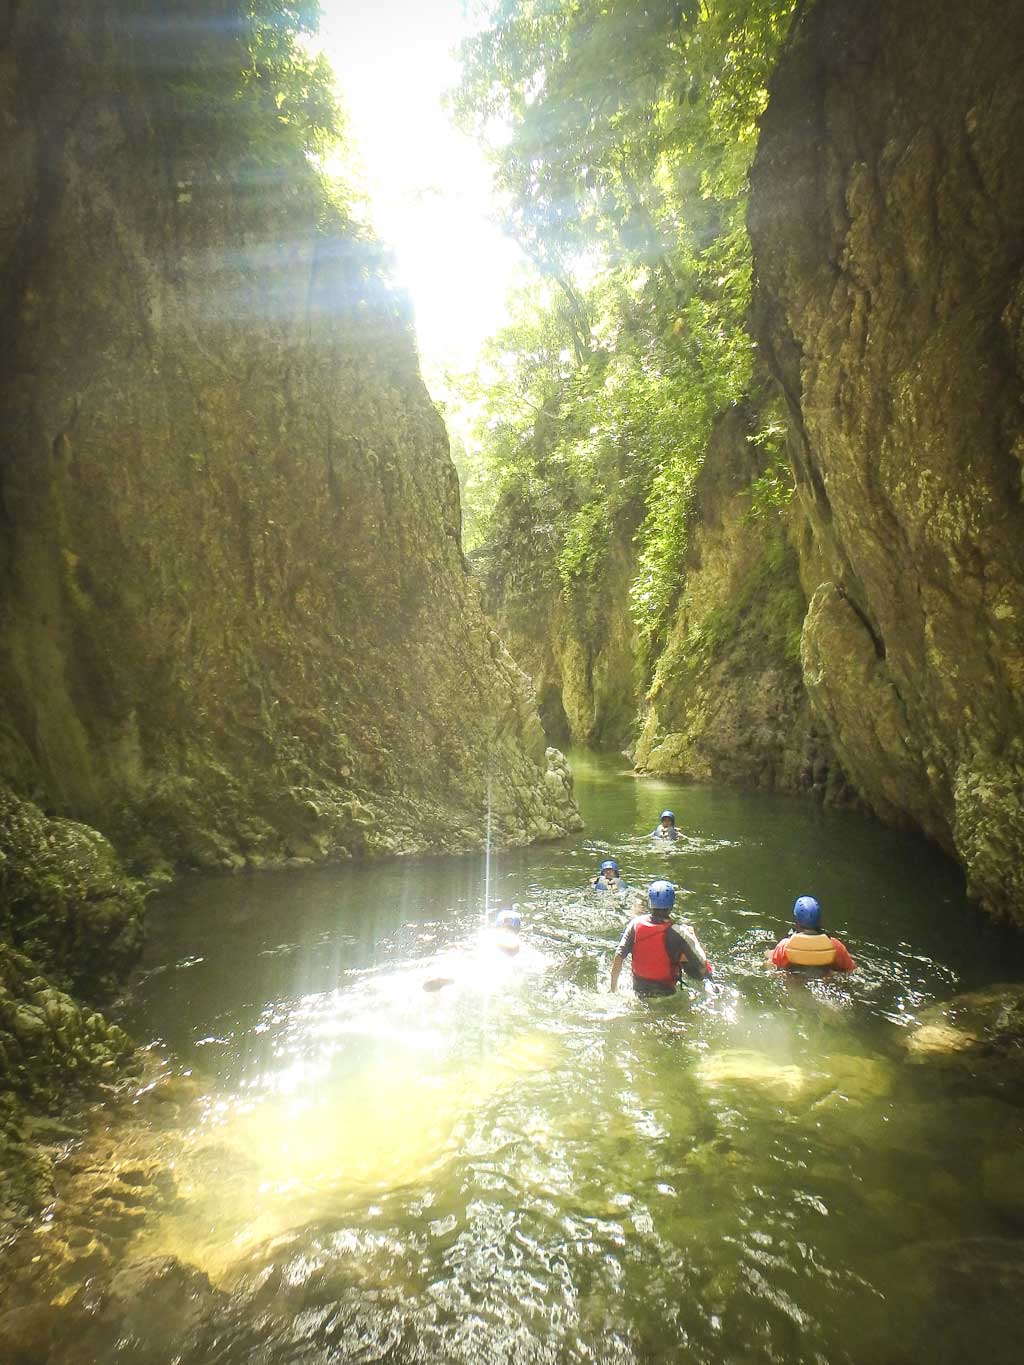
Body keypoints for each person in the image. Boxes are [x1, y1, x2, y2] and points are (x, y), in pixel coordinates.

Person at [610, 880, 712, 996]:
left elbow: (619, 956)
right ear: (671, 904)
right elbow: (702, 965)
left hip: (639, 990)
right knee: (689, 958)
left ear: (650, 902)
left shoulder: (635, 924)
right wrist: (693, 938)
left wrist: (613, 989)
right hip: (666, 992)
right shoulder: (679, 932)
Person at [767, 896, 856, 972]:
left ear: (796, 921)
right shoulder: (836, 946)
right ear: (819, 920)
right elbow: (851, 969)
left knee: (768, 954)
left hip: (795, 985)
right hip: (825, 984)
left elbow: (771, 967)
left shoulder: (784, 946)